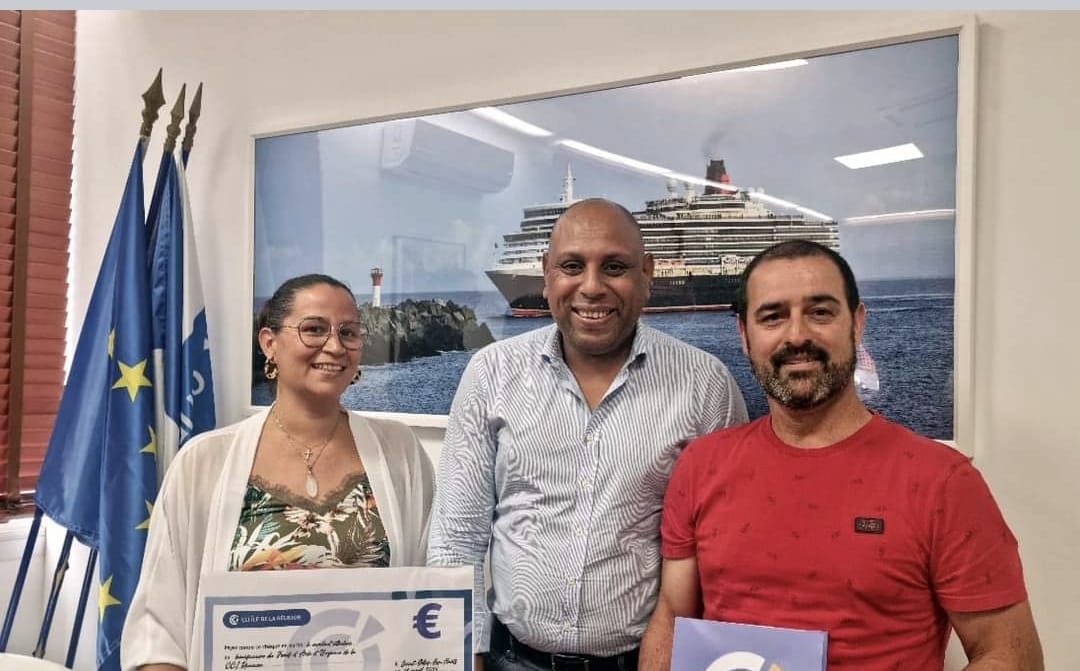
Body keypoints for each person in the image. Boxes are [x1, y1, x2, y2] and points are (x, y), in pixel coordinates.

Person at [640, 240, 1043, 670]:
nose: (797, 335)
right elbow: (672, 616)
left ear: (856, 323)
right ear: (744, 335)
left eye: (820, 312)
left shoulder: (942, 482)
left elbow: (1010, 654)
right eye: (773, 316)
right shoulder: (701, 465)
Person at [427, 198, 748, 671]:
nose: (592, 287)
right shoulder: (491, 373)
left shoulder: (705, 384)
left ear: (647, 272)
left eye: (614, 267)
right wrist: (461, 656)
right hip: (511, 660)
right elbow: (457, 537)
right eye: (572, 266)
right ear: (546, 273)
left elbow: (727, 556)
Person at [121, 274, 435, 671]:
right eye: (314, 329)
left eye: (349, 332)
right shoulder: (202, 462)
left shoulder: (401, 453)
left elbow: (432, 596)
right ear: (269, 343)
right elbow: (158, 628)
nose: (335, 346)